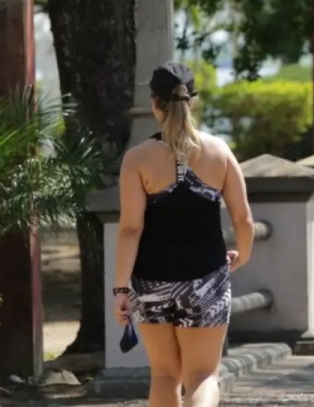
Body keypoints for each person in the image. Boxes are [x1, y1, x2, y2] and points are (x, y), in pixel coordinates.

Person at [112, 62, 254, 407]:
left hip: (150, 282)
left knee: (163, 376)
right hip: (206, 277)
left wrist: (120, 288)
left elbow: (130, 228)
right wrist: (242, 256)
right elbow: (243, 219)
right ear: (192, 101)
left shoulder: (137, 159)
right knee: (203, 376)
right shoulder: (219, 152)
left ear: (154, 104)